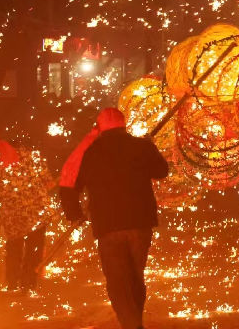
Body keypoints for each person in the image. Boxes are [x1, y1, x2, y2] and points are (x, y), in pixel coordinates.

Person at [60, 107, 169, 329]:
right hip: (140, 222)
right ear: (124, 124)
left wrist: (74, 213)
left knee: (118, 281)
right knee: (135, 276)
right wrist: (150, 148)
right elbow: (161, 171)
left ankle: (131, 325)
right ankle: (135, 322)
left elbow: (70, 184)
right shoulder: (141, 146)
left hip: (107, 224)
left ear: (100, 127)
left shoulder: (89, 152)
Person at [0, 131, 54, 292]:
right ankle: (29, 283)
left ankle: (12, 282)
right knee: (34, 247)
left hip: (12, 213)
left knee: (14, 246)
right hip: (36, 208)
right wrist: (44, 185)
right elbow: (47, 179)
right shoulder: (27, 154)